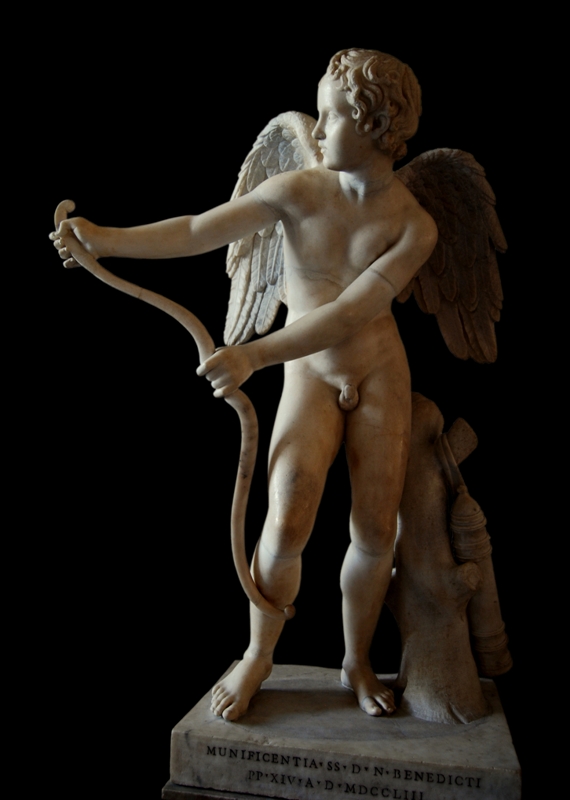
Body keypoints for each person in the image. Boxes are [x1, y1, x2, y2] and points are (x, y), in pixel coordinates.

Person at [51, 48, 438, 721]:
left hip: (379, 374)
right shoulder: (299, 191)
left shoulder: (414, 225)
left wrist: (252, 355)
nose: (317, 131)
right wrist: (106, 238)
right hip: (308, 374)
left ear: (377, 127)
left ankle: (356, 662)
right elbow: (199, 229)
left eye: (332, 116)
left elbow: (352, 313)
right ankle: (258, 653)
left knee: (376, 529)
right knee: (286, 518)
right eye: (317, 115)